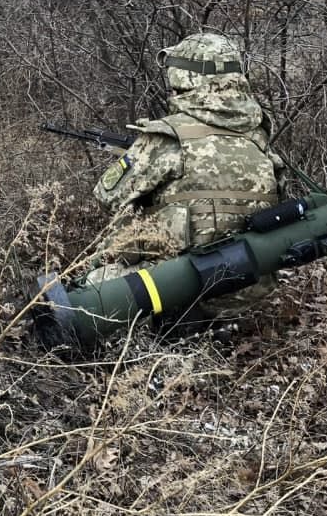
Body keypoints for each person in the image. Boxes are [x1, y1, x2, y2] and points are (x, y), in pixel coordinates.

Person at [84, 32, 285, 327]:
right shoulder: (258, 135)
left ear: (185, 77)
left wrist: (143, 150)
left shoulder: (166, 137)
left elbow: (106, 196)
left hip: (185, 288)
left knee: (90, 287)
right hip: (248, 289)